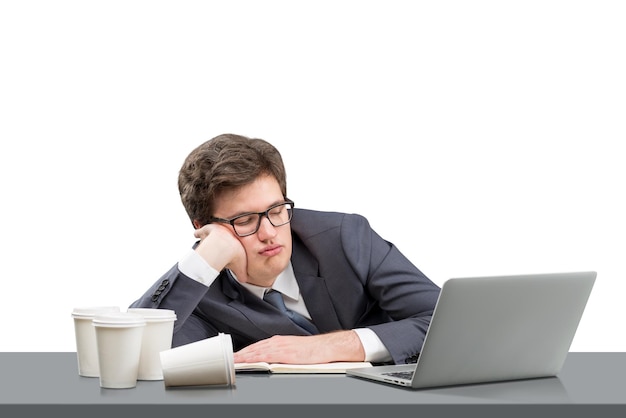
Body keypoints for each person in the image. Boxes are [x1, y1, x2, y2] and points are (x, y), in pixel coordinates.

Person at [130, 133, 440, 365]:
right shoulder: (198, 296)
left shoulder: (345, 239)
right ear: (204, 226)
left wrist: (329, 347)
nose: (269, 233)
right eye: (245, 220)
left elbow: (444, 321)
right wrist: (207, 256)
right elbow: (133, 354)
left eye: (276, 210)